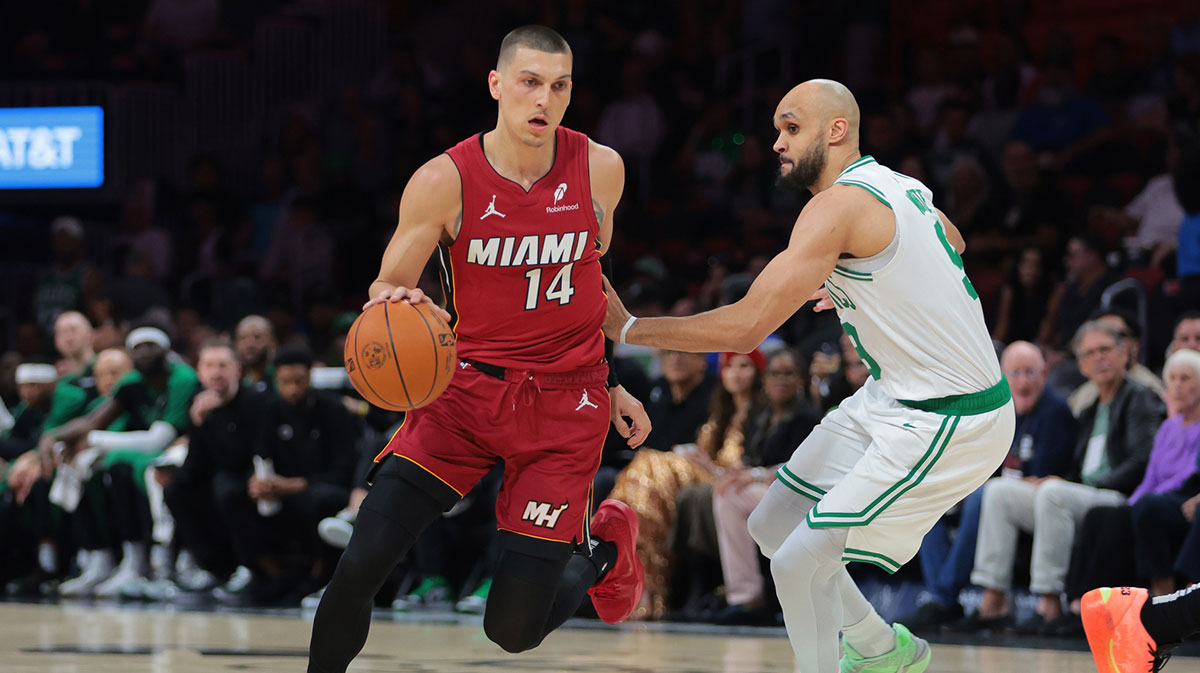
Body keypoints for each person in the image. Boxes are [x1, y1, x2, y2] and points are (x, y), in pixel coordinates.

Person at [604, 78, 1015, 673]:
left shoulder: (836, 208)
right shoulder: (898, 185)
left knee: (798, 560)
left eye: (791, 128)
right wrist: (858, 276)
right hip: (889, 397)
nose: (776, 142)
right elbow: (952, 238)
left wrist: (631, 326)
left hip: (950, 415)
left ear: (836, 131)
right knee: (770, 524)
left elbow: (744, 330)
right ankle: (882, 649)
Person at [308, 26, 651, 673]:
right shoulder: (444, 180)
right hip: (463, 394)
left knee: (513, 631)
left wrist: (608, 385)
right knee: (360, 563)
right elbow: (389, 280)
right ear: (496, 84)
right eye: (529, 81)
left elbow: (583, 288)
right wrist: (394, 301)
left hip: (560, 407)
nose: (543, 98)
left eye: (559, 85)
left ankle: (603, 548)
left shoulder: (602, 168)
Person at [967, 322, 1163, 635]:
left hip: (1117, 496)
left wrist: (1072, 485)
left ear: (1124, 353)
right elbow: (1076, 466)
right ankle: (994, 600)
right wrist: (1054, 479)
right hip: (1079, 494)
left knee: (1053, 493)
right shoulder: (1088, 407)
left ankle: (1049, 602)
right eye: (1090, 353)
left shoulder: (1140, 398)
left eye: (1106, 350)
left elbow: (1143, 461)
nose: (1099, 358)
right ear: (1081, 364)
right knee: (1001, 491)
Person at [903, 341, 1075, 631]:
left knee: (985, 494)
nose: (1023, 382)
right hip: (992, 496)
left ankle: (944, 598)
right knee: (930, 499)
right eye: (1015, 374)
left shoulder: (1055, 413)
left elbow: (1046, 476)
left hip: (1038, 501)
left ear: (1044, 375)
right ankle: (940, 597)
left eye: (1030, 373)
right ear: (1001, 377)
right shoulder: (997, 411)